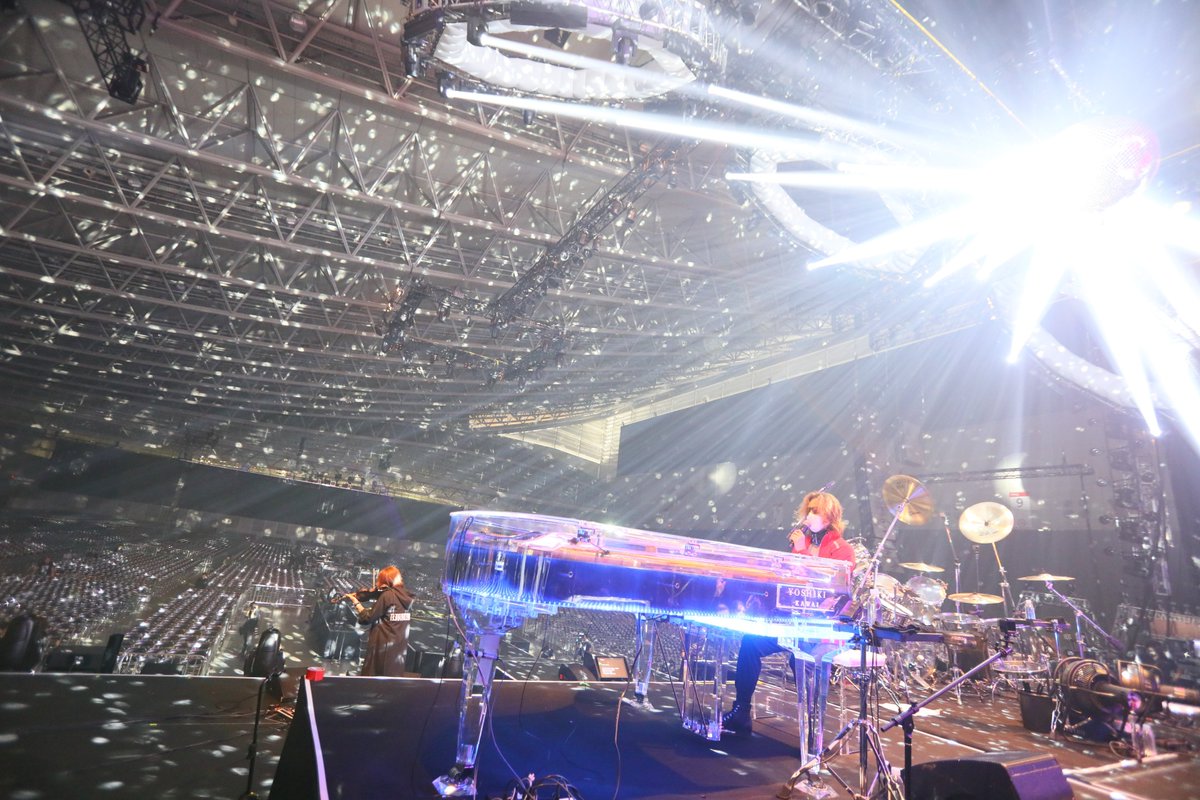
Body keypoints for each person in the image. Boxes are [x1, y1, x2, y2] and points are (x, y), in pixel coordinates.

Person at [722, 490, 856, 746]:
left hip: (819, 628)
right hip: (792, 622)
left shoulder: (842, 550)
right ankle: (741, 711)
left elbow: (826, 587)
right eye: (808, 510)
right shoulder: (801, 543)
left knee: (802, 659)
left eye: (815, 510)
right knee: (750, 643)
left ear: (830, 516)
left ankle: (812, 732)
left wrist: (802, 552)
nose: (809, 515)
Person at [346, 565, 415, 677]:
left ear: (386, 580)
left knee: (375, 676)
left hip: (382, 646)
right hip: (398, 647)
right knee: (391, 677)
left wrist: (356, 602)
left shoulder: (387, 595)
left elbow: (367, 618)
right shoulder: (406, 596)